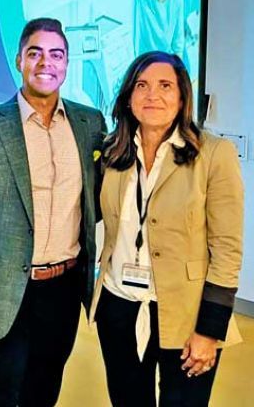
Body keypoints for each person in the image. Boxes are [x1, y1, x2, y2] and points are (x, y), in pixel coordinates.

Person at [0, 17, 107, 406]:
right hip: (3, 291)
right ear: (19, 60)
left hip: (65, 287)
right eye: (35, 53)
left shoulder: (90, 124)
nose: (45, 63)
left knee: (44, 388)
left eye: (56, 55)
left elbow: (103, 198)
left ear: (67, 64)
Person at [91, 51, 243, 406]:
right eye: (141, 85)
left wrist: (210, 330)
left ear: (182, 97)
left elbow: (227, 250)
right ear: (129, 97)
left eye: (165, 86)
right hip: (119, 306)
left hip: (186, 312)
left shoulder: (214, 154)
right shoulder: (112, 153)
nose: (152, 95)